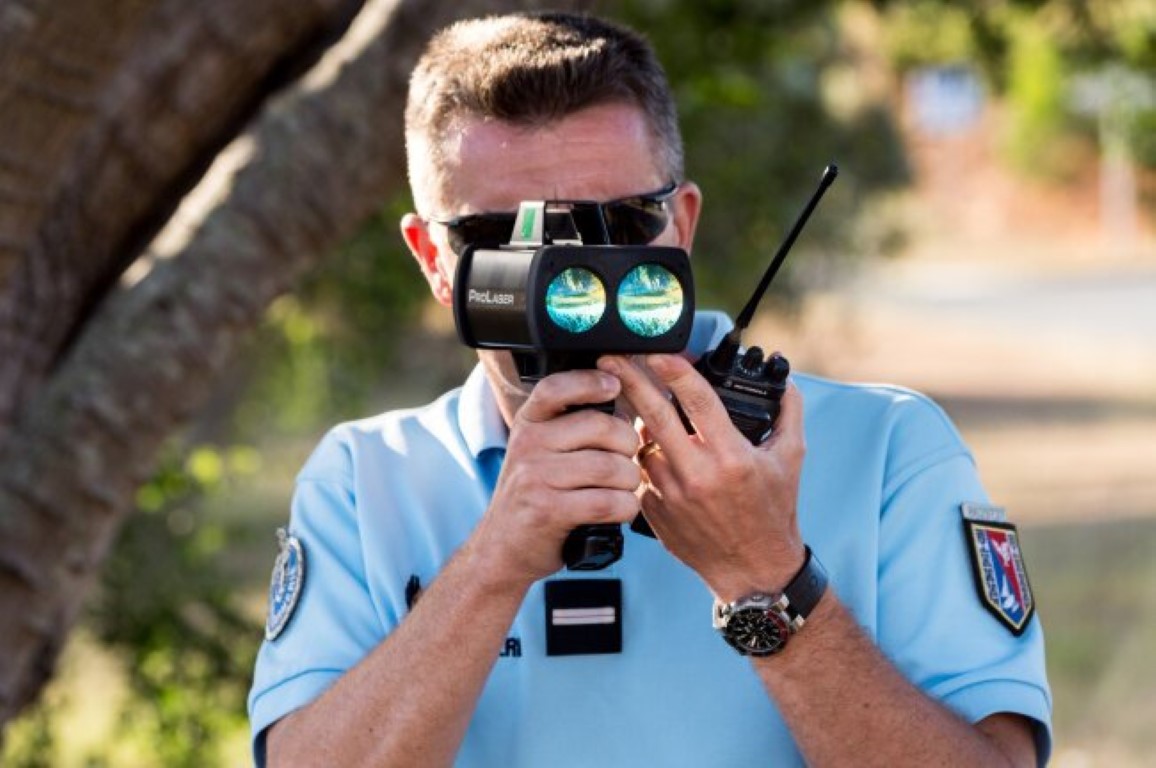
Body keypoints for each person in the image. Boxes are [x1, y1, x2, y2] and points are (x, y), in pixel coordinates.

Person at [248, 11, 1051, 767]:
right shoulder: (368, 481)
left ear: (682, 226)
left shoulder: (884, 449)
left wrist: (766, 575)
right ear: (433, 259)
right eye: (501, 236)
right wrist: (493, 563)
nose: (568, 275)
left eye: (622, 224)